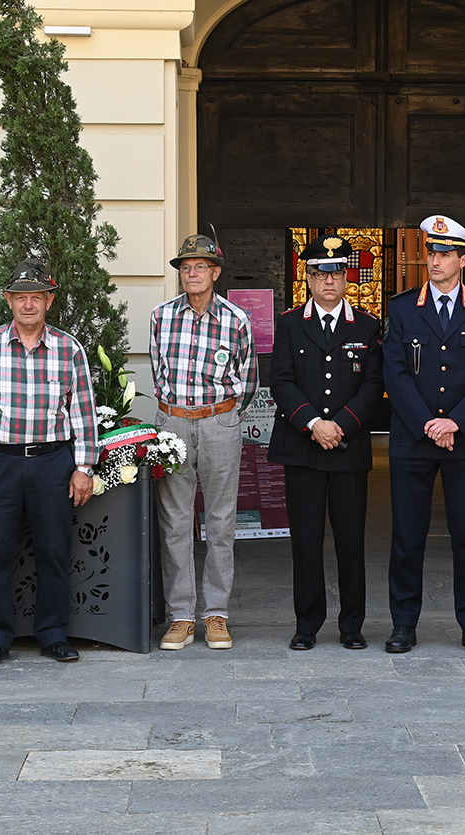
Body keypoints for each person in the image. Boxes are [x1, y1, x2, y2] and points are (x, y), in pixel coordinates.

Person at [0, 257, 98, 667]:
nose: (28, 305)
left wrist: (83, 468)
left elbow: (83, 412)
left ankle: (53, 634)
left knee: (53, 550)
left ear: (49, 301)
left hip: (53, 463)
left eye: (37, 297)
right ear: (8, 301)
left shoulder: (69, 349)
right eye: (21, 297)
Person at [382, 215, 465, 654]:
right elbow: (394, 374)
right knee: (407, 536)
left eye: (445, 254)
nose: (435, 261)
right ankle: (403, 624)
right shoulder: (401, 307)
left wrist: (455, 422)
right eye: (431, 253)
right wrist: (428, 425)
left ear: (463, 260)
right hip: (413, 439)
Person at [269, 235, 384, 651]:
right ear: (308, 279)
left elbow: (373, 385)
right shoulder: (289, 322)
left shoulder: (368, 325)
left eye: (336, 273)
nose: (329, 281)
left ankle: (352, 625)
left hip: (349, 449)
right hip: (302, 446)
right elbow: (280, 381)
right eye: (320, 274)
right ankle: (307, 624)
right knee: (305, 539)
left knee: (351, 540)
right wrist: (315, 423)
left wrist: (342, 426)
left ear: (346, 277)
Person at [152, 234, 257, 652]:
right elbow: (158, 370)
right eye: (185, 268)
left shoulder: (236, 320)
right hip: (173, 423)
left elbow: (247, 382)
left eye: (199, 267)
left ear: (215, 272)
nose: (191, 274)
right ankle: (180, 617)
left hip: (219, 423)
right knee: (174, 522)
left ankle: (216, 614)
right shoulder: (161, 317)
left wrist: (223, 416)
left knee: (220, 522)